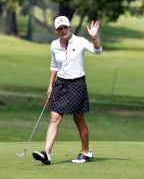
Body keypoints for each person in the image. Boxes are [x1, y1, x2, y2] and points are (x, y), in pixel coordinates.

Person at [32, 16, 102, 165]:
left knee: (79, 119)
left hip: (77, 84)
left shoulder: (80, 41)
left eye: (65, 27)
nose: (63, 30)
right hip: (60, 84)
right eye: (60, 28)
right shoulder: (54, 45)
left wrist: (95, 37)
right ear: (56, 30)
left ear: (69, 27)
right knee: (55, 118)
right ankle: (47, 154)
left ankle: (86, 152)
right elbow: (54, 66)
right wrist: (50, 85)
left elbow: (98, 51)